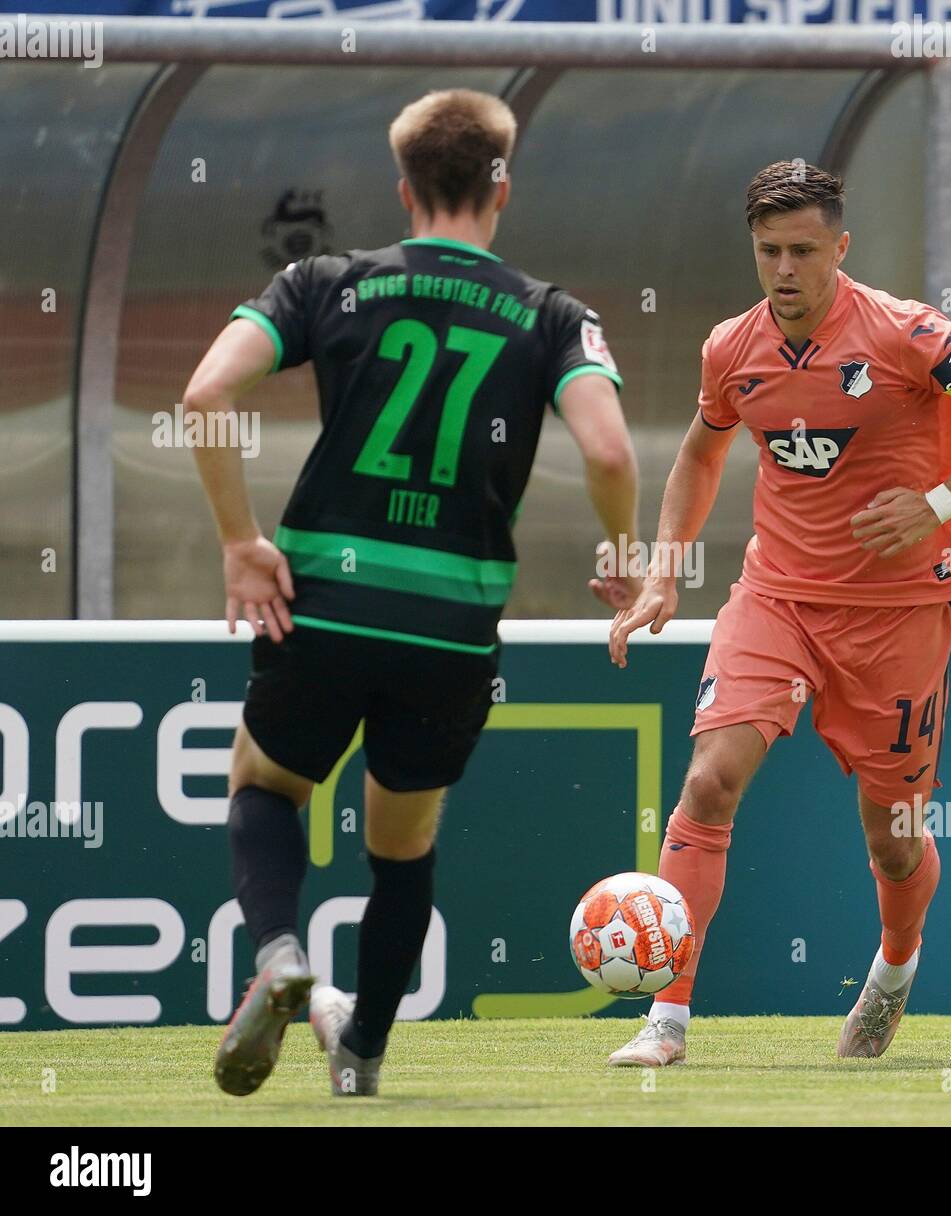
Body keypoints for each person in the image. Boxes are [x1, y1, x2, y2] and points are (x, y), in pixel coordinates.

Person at [185, 88, 638, 1097]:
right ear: (501, 189)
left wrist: (239, 541)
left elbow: (207, 394)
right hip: (452, 626)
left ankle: (279, 957)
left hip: (327, 599)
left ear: (401, 189)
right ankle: (362, 1057)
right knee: (403, 841)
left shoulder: (324, 281)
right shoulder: (551, 312)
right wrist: (627, 553)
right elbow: (607, 447)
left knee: (263, 780)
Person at [606, 161, 951, 1066]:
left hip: (899, 611)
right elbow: (701, 456)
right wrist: (664, 572)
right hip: (775, 597)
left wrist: (935, 503)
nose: (784, 270)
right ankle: (666, 1022)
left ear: (839, 248)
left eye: (804, 251)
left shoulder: (910, 337)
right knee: (707, 782)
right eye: (769, 251)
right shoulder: (731, 348)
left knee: (893, 841)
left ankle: (894, 970)